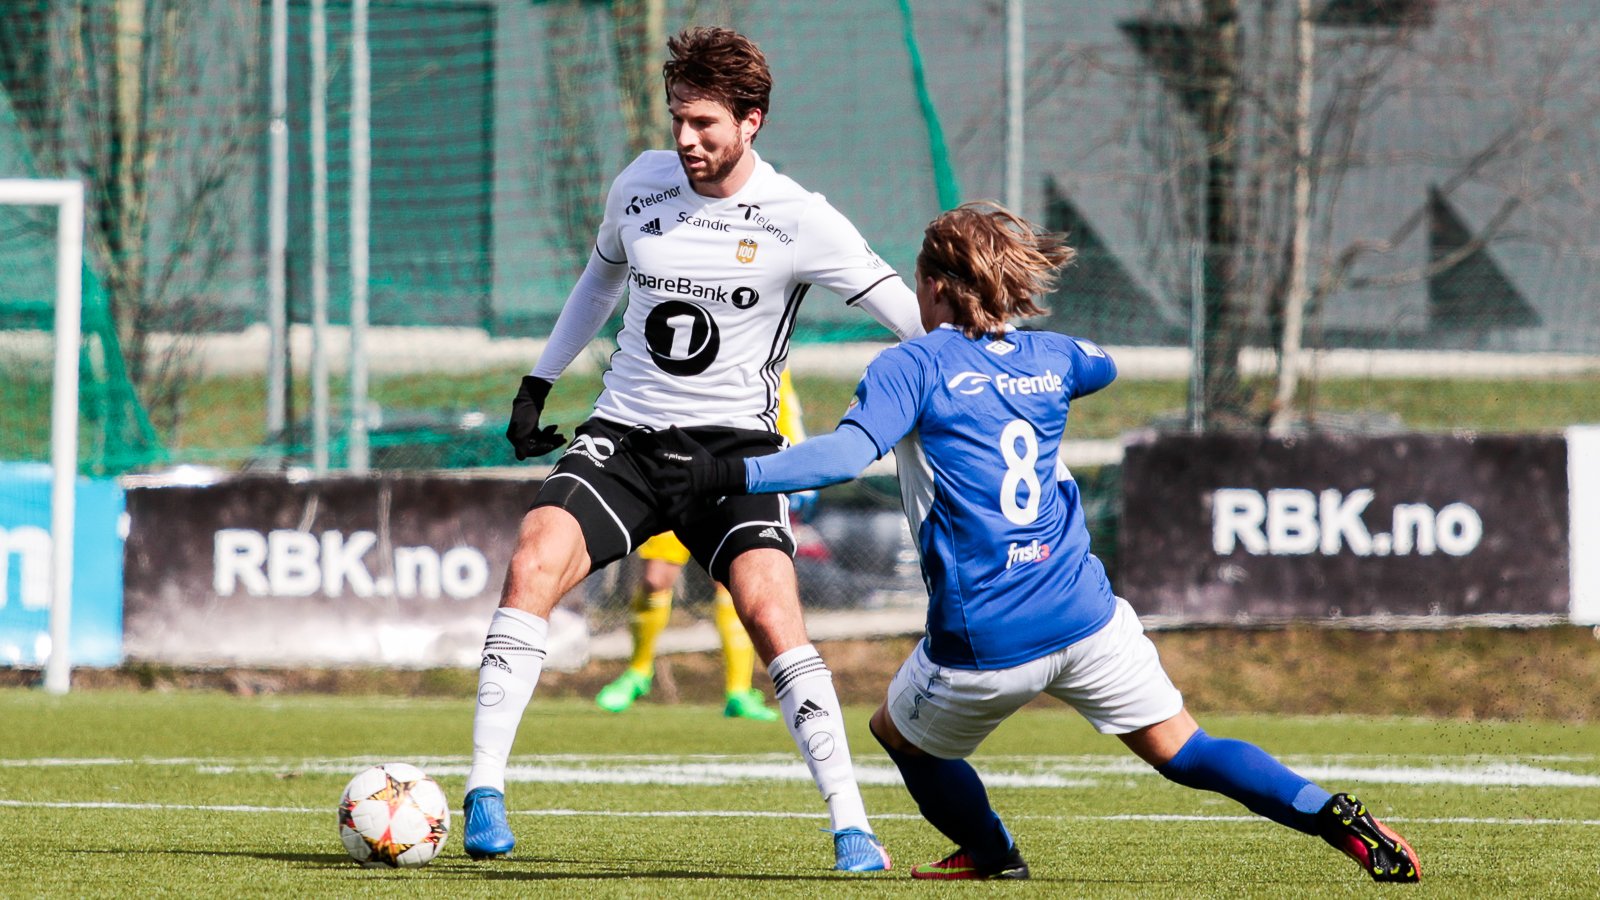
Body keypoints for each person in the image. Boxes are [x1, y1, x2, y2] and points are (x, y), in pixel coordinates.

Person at [635, 201, 1423, 883]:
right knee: (1185, 749)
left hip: (986, 635)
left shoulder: (912, 365)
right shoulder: (1055, 358)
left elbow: (843, 456)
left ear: (934, 287)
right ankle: (1327, 811)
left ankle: (991, 853)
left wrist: (720, 472)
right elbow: (1101, 365)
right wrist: (1030, 363)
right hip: (1085, 612)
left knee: (897, 736)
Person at [463, 26, 922, 872]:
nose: (685, 138)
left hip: (734, 454)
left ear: (752, 122)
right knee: (532, 562)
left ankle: (853, 825)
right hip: (625, 439)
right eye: (677, 117)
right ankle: (483, 792)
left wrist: (975, 380)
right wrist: (538, 383)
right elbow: (599, 279)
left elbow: (906, 313)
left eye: (704, 122)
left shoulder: (799, 217)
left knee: (771, 614)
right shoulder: (640, 184)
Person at [596, 370, 814, 722]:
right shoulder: (682, 349)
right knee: (655, 578)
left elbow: (783, 404)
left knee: (734, 582)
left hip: (732, 469)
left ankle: (738, 690)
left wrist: (798, 465)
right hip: (676, 470)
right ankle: (638, 672)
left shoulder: (765, 348)